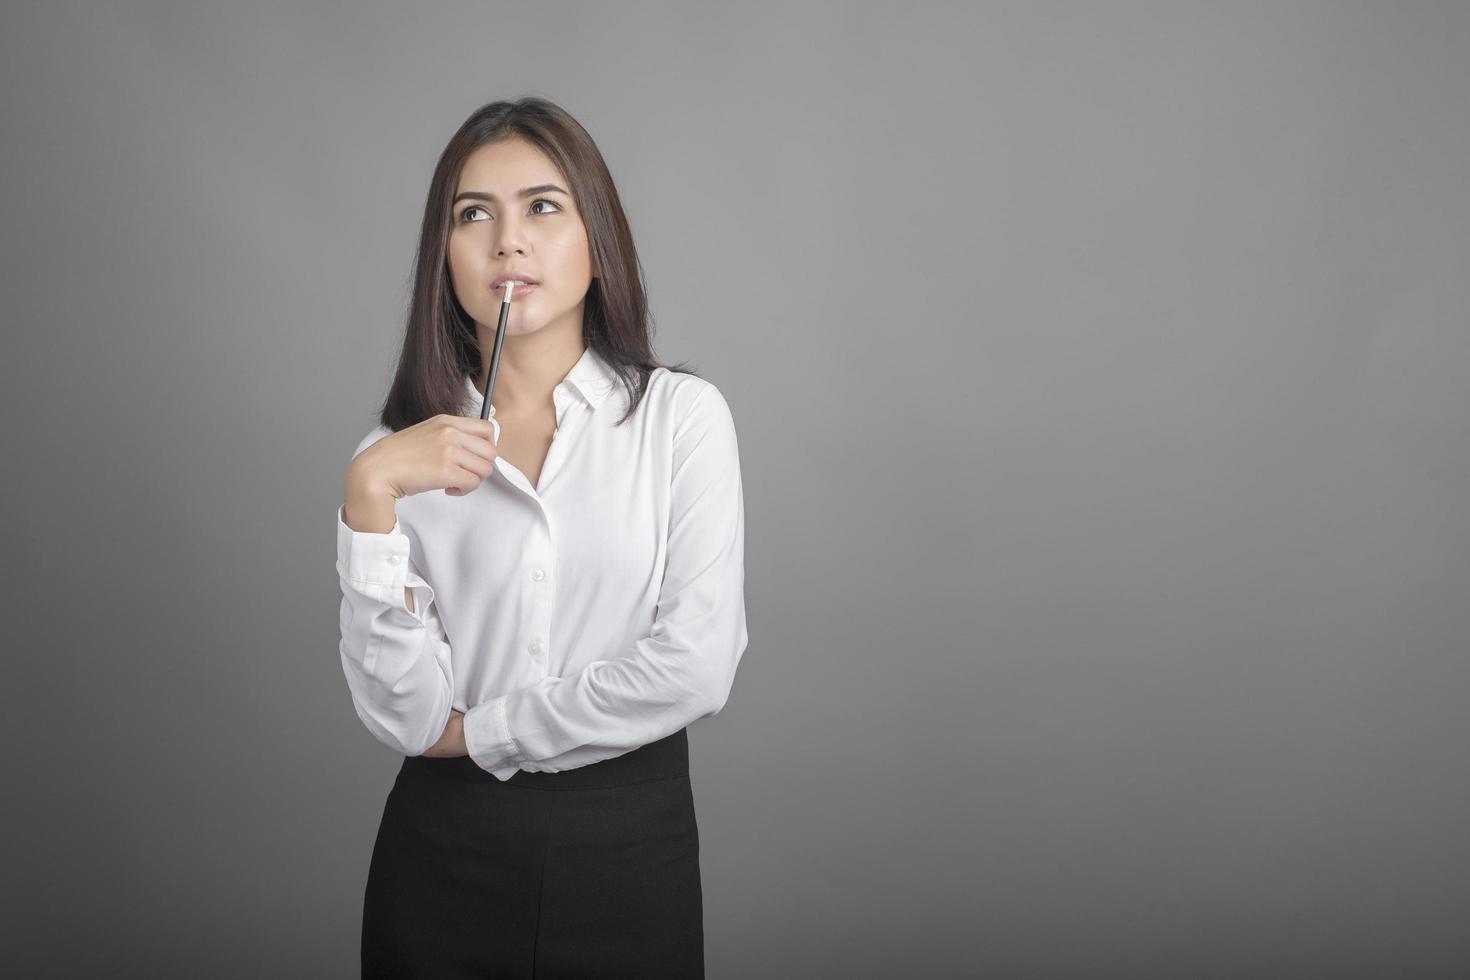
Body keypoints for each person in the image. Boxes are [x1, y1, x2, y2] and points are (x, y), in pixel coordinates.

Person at [335, 96, 748, 978]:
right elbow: (407, 719)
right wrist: (367, 497)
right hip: (441, 850)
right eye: (473, 214)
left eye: (542, 207)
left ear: (596, 244)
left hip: (630, 846)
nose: (507, 242)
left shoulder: (679, 420)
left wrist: (483, 734)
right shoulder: (395, 456)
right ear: (443, 257)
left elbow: (698, 664)